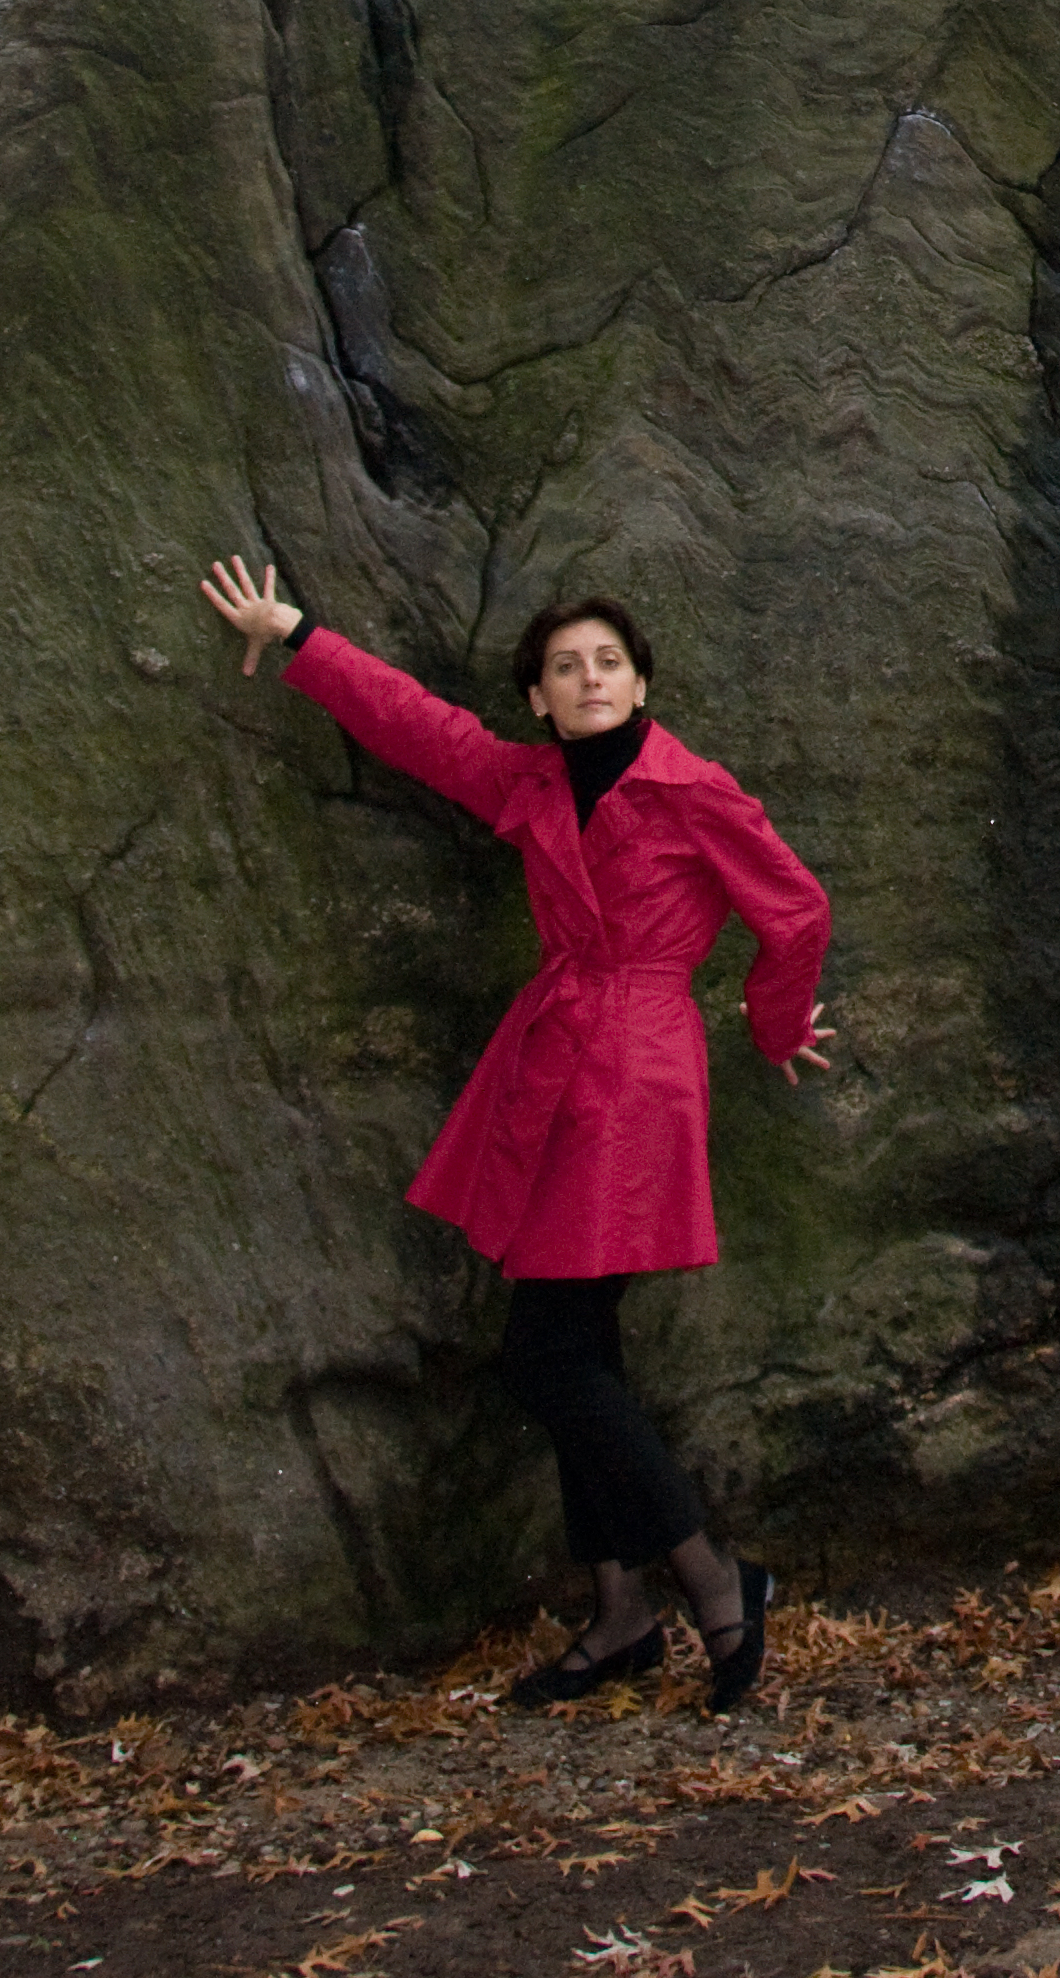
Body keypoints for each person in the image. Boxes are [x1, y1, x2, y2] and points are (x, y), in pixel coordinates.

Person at [198, 555, 834, 1717]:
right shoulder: (530, 781)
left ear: (641, 683)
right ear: (538, 696)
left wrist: (773, 1022)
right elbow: (416, 726)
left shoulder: (692, 787)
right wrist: (296, 632)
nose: (588, 679)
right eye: (564, 666)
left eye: (607, 662)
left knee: (545, 1355)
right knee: (577, 1340)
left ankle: (709, 1574)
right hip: (553, 1057)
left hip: (636, 1069)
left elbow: (794, 908)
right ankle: (623, 1611)